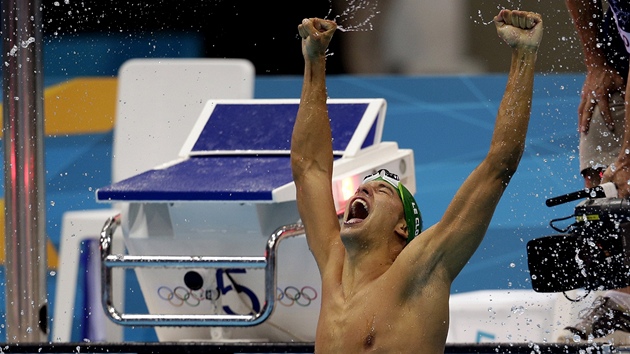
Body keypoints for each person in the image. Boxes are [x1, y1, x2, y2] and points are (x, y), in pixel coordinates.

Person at [290, 9, 543, 353]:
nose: (363, 189)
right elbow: (310, 170)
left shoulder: (420, 270)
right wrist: (315, 60)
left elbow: (499, 165)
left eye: (381, 190)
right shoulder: (333, 265)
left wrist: (523, 55)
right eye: (365, 186)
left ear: (403, 229)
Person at [557, 0, 630, 344]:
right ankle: (620, 299)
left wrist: (628, 157)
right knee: (604, 189)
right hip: (620, 50)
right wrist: (595, 62)